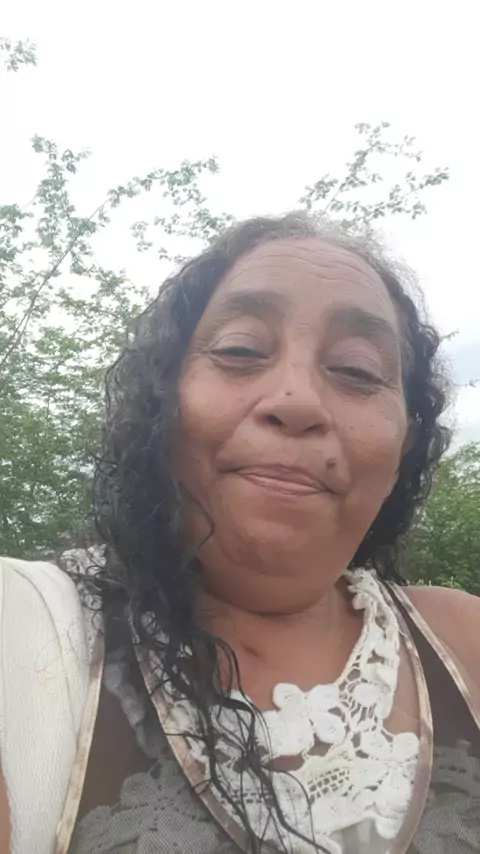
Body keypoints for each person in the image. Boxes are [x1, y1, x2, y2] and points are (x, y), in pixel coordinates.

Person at [1, 212, 479, 854]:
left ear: (404, 449)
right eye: (240, 351)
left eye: (358, 370)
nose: (297, 401)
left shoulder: (463, 644)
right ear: (164, 403)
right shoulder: (25, 631)